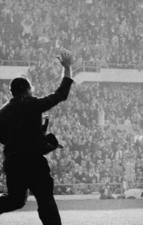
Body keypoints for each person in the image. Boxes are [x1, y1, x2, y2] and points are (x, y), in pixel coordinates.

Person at [0, 50, 74, 224]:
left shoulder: (3, 113)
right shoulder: (32, 103)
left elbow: (5, 138)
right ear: (27, 90)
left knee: (16, 200)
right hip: (33, 163)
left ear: (12, 92)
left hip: (13, 163)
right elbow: (60, 94)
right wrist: (67, 68)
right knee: (45, 200)